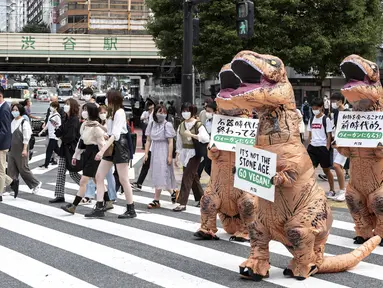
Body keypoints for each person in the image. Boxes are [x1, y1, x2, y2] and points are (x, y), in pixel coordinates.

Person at [87, 90, 136, 218]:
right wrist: (99, 126)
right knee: (99, 176)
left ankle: (131, 209)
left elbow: (116, 135)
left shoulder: (119, 113)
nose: (106, 101)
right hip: (112, 146)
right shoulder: (111, 113)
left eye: (108, 99)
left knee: (123, 179)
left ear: (113, 100)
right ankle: (99, 207)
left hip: (120, 146)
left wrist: (102, 150)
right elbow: (110, 132)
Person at [61, 103, 107, 214]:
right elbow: (81, 142)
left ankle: (74, 206)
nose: (83, 112)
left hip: (95, 154)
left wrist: (102, 154)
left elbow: (102, 143)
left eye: (86, 110)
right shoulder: (85, 124)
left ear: (91, 112)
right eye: (83, 109)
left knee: (83, 181)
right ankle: (108, 200)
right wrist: (75, 155)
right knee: (97, 180)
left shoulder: (96, 127)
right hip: (87, 153)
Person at [174, 102, 210, 211]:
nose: (185, 113)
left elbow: (205, 138)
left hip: (195, 153)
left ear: (192, 111)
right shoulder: (181, 125)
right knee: (193, 176)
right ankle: (202, 199)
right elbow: (179, 141)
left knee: (187, 176)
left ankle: (182, 202)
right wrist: (177, 154)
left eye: (187, 111)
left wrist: (192, 135)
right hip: (185, 152)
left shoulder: (198, 124)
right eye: (183, 111)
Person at [80, 105, 117, 208]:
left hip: (105, 152)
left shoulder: (108, 122)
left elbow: (113, 135)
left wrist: (102, 150)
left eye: (104, 112)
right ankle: (92, 196)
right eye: (101, 112)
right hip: (97, 152)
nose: (102, 114)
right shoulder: (94, 123)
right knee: (96, 177)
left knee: (107, 176)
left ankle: (111, 197)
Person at [318, 92, 350, 202]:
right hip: (336, 143)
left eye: (334, 101)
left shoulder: (347, 113)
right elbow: (334, 127)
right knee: (338, 167)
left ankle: (343, 191)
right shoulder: (335, 112)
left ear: (340, 101)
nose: (332, 103)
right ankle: (342, 191)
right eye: (332, 101)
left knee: (337, 166)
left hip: (344, 144)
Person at [49, 98, 81, 203]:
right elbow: (60, 131)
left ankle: (90, 188)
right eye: (65, 104)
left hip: (71, 149)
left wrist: (62, 136)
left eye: (68, 104)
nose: (65, 106)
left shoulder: (74, 119)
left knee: (73, 172)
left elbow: (71, 136)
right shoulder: (66, 118)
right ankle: (59, 195)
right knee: (61, 171)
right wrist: (58, 130)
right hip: (65, 149)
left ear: (73, 107)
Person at [145, 104, 177, 208]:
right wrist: (146, 153)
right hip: (155, 151)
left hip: (164, 150)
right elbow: (148, 140)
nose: (162, 114)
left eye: (164, 112)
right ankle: (172, 193)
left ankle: (156, 199)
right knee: (158, 174)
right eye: (160, 112)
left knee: (163, 173)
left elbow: (171, 142)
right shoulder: (151, 124)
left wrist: (169, 156)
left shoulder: (167, 125)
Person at [7, 104, 41, 195]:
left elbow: (27, 137)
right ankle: (11, 188)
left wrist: (25, 149)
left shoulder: (24, 122)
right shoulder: (12, 121)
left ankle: (36, 183)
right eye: (13, 110)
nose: (14, 111)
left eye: (16, 110)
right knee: (11, 169)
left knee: (23, 169)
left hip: (21, 148)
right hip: (11, 149)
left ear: (20, 111)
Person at [307, 97, 335, 197]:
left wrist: (327, 148)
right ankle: (310, 190)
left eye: (316, 108)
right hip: (312, 148)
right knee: (309, 170)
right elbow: (309, 133)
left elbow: (329, 135)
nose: (314, 110)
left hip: (322, 148)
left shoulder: (325, 119)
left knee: (326, 170)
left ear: (321, 107)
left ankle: (332, 189)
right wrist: (308, 144)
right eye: (313, 108)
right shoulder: (311, 119)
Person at [0, 87, 19, 201]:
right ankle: (12, 182)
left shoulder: (5, 109)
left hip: (1, 145)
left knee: (1, 170)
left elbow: (4, 130)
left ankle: (0, 194)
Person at [38, 101, 61, 169]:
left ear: (56, 107)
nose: (51, 108)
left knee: (49, 150)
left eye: (52, 106)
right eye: (51, 106)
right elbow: (47, 125)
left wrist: (53, 122)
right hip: (50, 134)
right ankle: (67, 157)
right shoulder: (50, 115)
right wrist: (41, 131)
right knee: (57, 150)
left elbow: (59, 125)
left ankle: (46, 164)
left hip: (54, 135)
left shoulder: (57, 116)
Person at [198, 101, 217, 178]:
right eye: (206, 111)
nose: (207, 113)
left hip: (215, 147)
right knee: (206, 167)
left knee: (209, 167)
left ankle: (216, 180)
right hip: (207, 145)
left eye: (209, 111)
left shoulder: (219, 122)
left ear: (215, 111)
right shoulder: (207, 121)